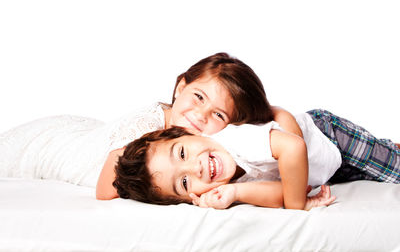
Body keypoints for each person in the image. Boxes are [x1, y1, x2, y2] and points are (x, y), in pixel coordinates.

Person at [0, 53, 302, 199]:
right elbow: (106, 190)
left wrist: (271, 112)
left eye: (219, 115)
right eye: (198, 97)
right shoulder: (150, 130)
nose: (201, 115)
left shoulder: (204, 151)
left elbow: (287, 145)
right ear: (179, 87)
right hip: (55, 145)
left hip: (87, 129)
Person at [112, 110, 400, 210]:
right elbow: (280, 192)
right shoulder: (221, 185)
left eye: (182, 153)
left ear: (185, 133)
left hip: (328, 137)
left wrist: (299, 205)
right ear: (189, 199)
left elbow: (293, 147)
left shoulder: (235, 141)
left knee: (393, 168)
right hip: (324, 170)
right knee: (380, 162)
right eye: (184, 182)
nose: (195, 168)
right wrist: (236, 192)